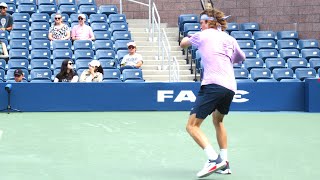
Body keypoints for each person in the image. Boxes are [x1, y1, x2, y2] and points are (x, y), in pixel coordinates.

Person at [180, 8, 245, 178]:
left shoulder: (203, 34)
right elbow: (241, 58)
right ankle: (225, 163)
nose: (200, 25)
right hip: (230, 87)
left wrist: (192, 36)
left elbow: (183, 43)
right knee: (218, 121)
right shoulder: (230, 39)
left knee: (192, 126)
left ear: (209, 22)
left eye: (201, 22)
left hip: (213, 85)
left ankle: (214, 160)